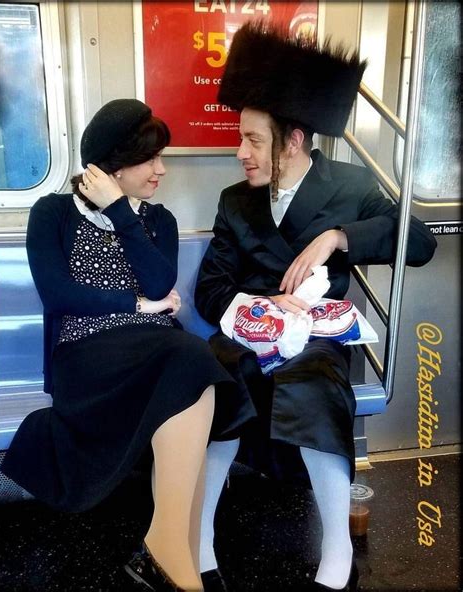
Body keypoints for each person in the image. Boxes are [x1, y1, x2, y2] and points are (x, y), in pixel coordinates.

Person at [194, 22, 437, 592]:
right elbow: (211, 288)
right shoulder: (235, 200)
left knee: (315, 387)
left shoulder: (351, 188)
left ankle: (336, 553)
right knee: (215, 380)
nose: (240, 153)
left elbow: (419, 242)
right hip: (245, 332)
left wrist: (338, 239)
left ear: (294, 139)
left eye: (253, 140)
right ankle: (199, 536)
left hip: (319, 339)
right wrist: (259, 309)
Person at [1, 98, 253, 592]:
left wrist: (121, 210)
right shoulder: (51, 212)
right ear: (111, 165)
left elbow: (161, 284)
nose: (162, 169)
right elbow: (59, 295)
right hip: (85, 358)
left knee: (192, 364)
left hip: (156, 354)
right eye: (150, 159)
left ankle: (169, 553)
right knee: (191, 362)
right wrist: (136, 306)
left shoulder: (155, 221)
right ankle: (173, 556)